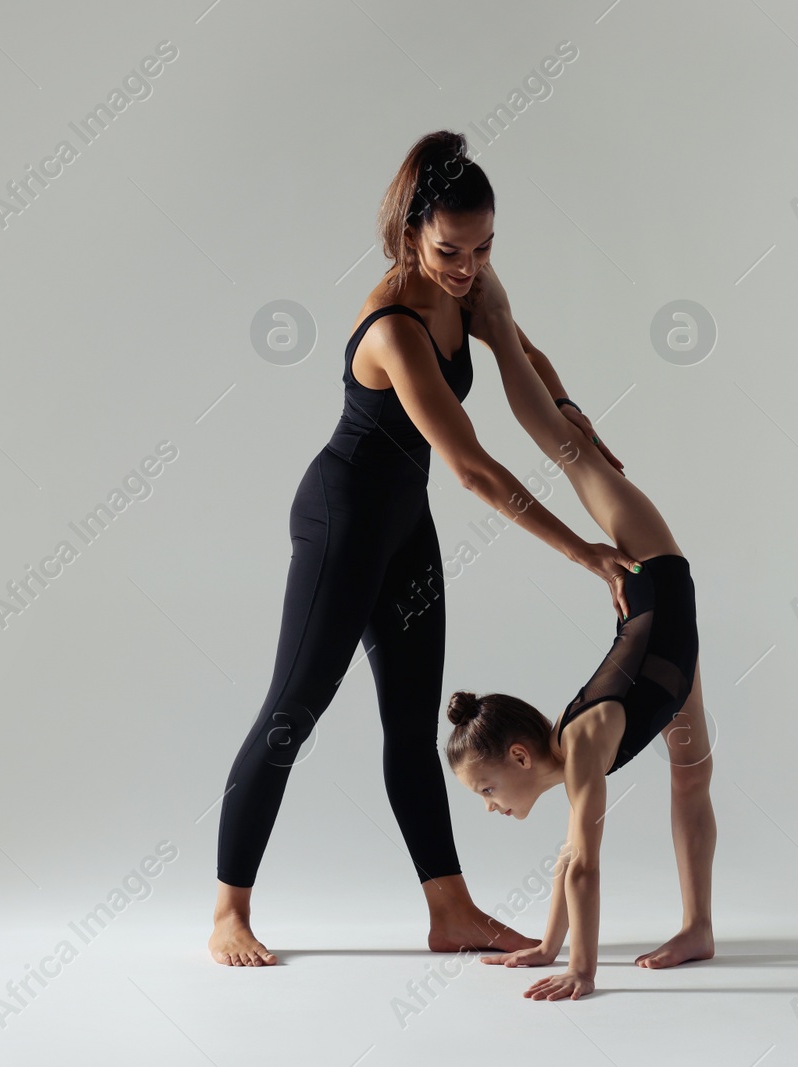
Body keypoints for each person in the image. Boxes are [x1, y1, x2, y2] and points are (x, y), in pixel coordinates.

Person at [210, 131, 645, 966]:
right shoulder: (394, 327)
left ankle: (451, 910)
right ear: (413, 233)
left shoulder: (470, 283)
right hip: (343, 520)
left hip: (404, 525)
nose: (468, 267)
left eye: (484, 248)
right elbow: (475, 469)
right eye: (450, 250)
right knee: (289, 715)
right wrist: (584, 552)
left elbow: (516, 341)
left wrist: (567, 404)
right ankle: (229, 909)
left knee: (412, 727)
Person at [443, 262, 716, 1000]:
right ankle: (699, 926)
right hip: (670, 653)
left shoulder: (588, 741)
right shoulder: (569, 753)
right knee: (690, 778)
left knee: (568, 449)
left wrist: (580, 971)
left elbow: (587, 863)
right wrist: (544, 945)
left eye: (487, 789)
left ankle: (494, 317)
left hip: (652, 573)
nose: (492, 805)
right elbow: (570, 860)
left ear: (521, 754)